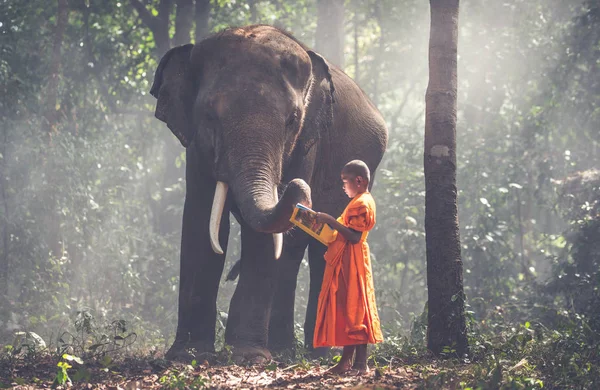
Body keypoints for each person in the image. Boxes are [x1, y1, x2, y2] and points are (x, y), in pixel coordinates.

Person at [313, 160, 383, 375]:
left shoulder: (363, 202)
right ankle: (347, 362)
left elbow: (354, 237)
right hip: (346, 260)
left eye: (345, 182)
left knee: (356, 308)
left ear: (359, 180)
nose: (343, 187)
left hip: (354, 260)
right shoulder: (358, 200)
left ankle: (360, 364)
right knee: (350, 308)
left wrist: (329, 220)